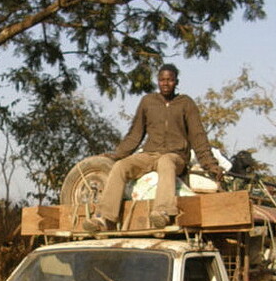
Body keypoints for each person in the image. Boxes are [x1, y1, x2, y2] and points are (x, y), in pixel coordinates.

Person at [83, 63, 224, 231]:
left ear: (176, 82)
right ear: (158, 81)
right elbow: (135, 134)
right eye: (162, 80)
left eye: (170, 80)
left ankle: (163, 211)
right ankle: (104, 218)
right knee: (121, 167)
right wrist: (117, 155)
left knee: (166, 162)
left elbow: (198, 137)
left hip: (175, 156)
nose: (166, 84)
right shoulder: (148, 102)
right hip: (149, 153)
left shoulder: (186, 103)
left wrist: (211, 165)